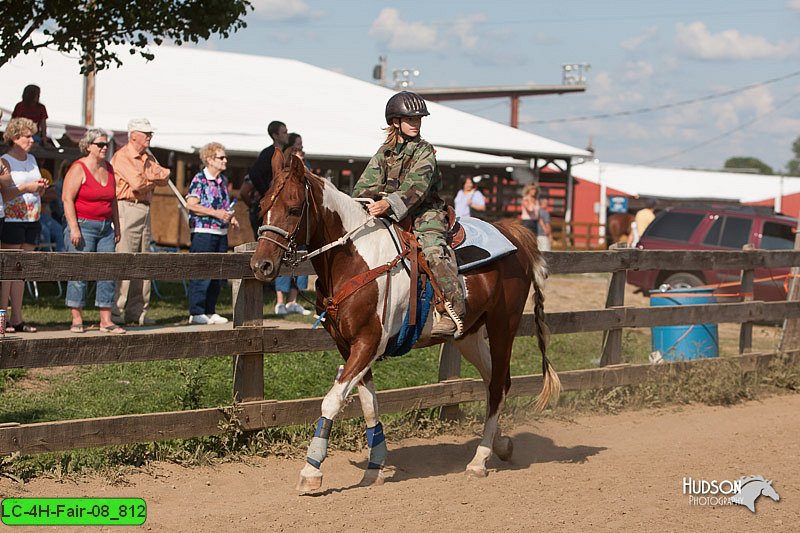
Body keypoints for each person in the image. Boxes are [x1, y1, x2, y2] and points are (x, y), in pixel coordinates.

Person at [353, 91, 464, 337]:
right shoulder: (384, 152)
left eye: (419, 119)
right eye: (410, 119)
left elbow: (417, 188)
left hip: (427, 213)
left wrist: (387, 204)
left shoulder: (425, 151)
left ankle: (451, 310)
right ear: (395, 122)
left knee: (434, 253)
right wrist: (364, 203)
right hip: (391, 212)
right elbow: (363, 187)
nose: (416, 123)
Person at [62, 129, 125, 334]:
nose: (104, 148)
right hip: (83, 224)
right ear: (88, 146)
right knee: (79, 271)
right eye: (100, 144)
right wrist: (74, 227)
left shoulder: (108, 168)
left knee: (107, 270)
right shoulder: (78, 168)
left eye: (106, 144)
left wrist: (116, 225)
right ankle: (76, 318)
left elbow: (112, 199)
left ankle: (106, 320)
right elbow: (67, 199)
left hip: (105, 226)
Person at [111, 118, 170, 326]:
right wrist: (151, 179)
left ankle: (137, 313)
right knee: (125, 259)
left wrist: (148, 179)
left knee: (144, 261)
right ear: (133, 135)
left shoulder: (148, 156)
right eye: (146, 133)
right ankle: (115, 312)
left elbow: (165, 176)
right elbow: (136, 184)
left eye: (150, 133)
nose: (150, 137)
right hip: (127, 207)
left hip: (144, 208)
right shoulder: (122, 156)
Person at [0, 117, 48, 333]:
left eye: (33, 135)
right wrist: (27, 188)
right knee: (8, 271)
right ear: (14, 138)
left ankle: (17, 319)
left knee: (21, 271)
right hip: (12, 218)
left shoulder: (31, 159)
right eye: (28, 136)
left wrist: (40, 187)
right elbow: (7, 192)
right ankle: (3, 319)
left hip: (32, 218)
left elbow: (35, 186)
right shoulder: (5, 161)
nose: (32, 140)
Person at [185, 142, 238, 325]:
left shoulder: (222, 181)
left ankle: (210, 309)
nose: (225, 160)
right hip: (203, 232)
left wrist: (230, 217)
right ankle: (196, 311)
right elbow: (191, 204)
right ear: (209, 160)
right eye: (221, 157)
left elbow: (223, 206)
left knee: (218, 272)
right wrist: (215, 213)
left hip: (220, 232)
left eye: (225, 157)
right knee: (201, 270)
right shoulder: (200, 179)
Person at [274, 133, 311, 316]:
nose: (300, 150)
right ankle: (280, 301)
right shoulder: (284, 168)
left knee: (301, 259)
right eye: (297, 147)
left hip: (302, 221)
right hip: (287, 221)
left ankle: (293, 301)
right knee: (284, 260)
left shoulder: (307, 167)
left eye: (301, 148)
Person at [38, 166, 65, 252]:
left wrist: (37, 196)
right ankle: (46, 261)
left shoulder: (45, 172)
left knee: (59, 231)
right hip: (31, 215)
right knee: (45, 232)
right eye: (39, 158)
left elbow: (54, 195)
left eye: (43, 159)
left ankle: (61, 260)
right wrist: (43, 195)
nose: (41, 161)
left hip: (43, 214)